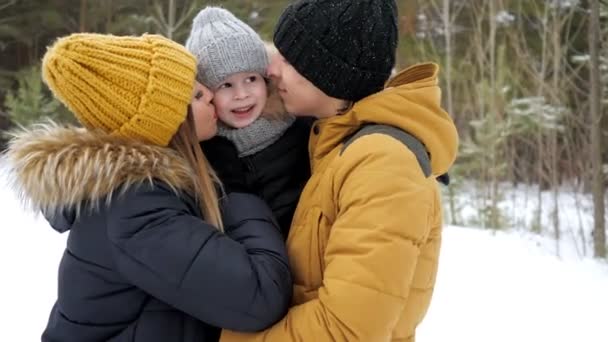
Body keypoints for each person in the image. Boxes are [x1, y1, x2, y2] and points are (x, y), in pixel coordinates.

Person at [3, 33, 291, 342]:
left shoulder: (145, 192)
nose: (210, 94)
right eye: (195, 95)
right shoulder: (138, 208)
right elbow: (262, 295)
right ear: (166, 121)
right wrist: (235, 191)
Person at [220, 0, 459, 341]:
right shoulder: (332, 144)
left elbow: (345, 329)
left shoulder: (383, 164)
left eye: (288, 58)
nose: (271, 68)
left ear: (328, 72)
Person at [185, 7, 310, 237]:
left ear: (266, 79)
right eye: (226, 85)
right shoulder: (204, 155)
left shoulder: (299, 127)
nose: (241, 94)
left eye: (251, 79)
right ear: (207, 93)